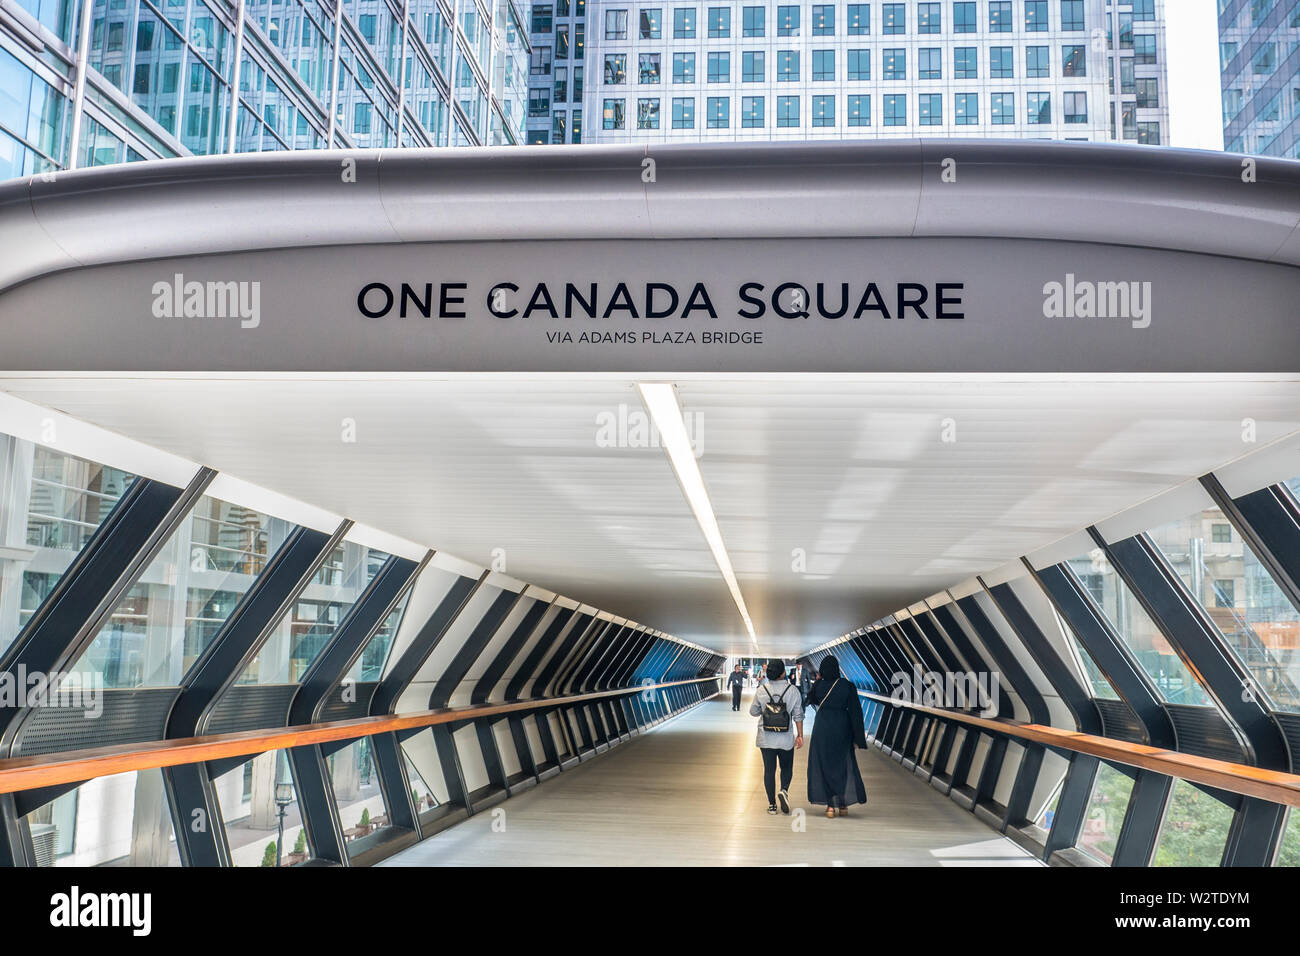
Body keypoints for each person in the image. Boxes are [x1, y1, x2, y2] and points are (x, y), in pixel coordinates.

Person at [805, 655, 867, 819]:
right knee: (842, 765)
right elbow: (856, 713)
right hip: (842, 728)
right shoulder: (847, 686)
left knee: (824, 765)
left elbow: (809, 699)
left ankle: (830, 807)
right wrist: (858, 739)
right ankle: (843, 804)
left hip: (822, 728)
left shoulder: (819, 686)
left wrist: (818, 680)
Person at [749, 658, 804, 815]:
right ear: (783, 673)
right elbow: (798, 715)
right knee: (786, 768)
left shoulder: (761, 690)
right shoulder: (793, 690)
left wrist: (766, 710)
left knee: (769, 770)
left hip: (766, 738)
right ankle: (784, 790)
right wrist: (799, 735)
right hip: (785, 738)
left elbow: (753, 712)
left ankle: (772, 805)